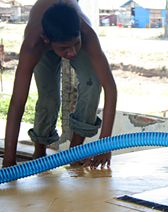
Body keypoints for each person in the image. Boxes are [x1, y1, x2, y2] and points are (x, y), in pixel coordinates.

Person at [2, 0, 117, 169]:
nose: (72, 52)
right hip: (45, 39)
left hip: (70, 34)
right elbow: (17, 104)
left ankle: (75, 152)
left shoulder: (86, 34)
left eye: (75, 44)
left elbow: (110, 88)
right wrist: (8, 161)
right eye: (64, 48)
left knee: (92, 85)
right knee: (49, 97)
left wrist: (105, 145)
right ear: (46, 39)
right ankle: (40, 150)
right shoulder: (33, 45)